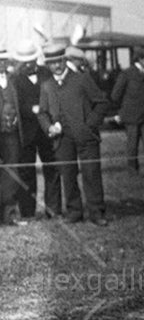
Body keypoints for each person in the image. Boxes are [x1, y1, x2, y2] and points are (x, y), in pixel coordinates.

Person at [36, 44, 110, 225]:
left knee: (91, 174)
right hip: (62, 140)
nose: (57, 66)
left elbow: (102, 103)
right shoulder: (46, 86)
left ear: (65, 60)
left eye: (59, 61)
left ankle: (96, 212)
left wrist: (89, 124)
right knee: (68, 175)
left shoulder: (82, 79)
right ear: (47, 65)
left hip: (86, 137)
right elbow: (42, 113)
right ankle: (74, 211)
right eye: (52, 63)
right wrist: (49, 128)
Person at [10, 41, 58, 219]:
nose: (28, 63)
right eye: (25, 60)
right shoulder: (14, 78)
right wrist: (31, 109)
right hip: (25, 133)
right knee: (26, 172)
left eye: (31, 59)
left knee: (52, 169)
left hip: (47, 131)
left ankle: (53, 209)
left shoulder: (46, 74)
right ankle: (27, 212)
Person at [110, 55, 144, 178]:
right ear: (139, 59)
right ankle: (133, 172)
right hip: (131, 117)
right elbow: (115, 95)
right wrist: (122, 111)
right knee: (132, 146)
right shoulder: (127, 73)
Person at [0, 54, 28, 225]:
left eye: (3, 60)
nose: (1, 64)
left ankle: (9, 214)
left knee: (12, 172)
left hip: (11, 134)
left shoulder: (14, 80)